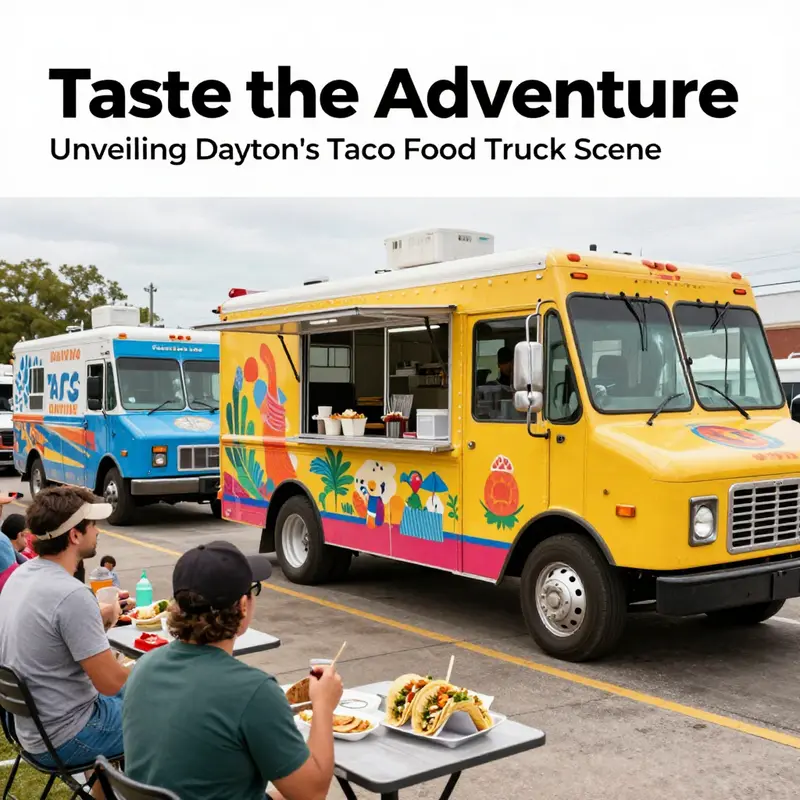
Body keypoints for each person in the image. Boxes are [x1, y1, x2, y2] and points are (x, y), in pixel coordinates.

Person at [123, 540, 342, 800]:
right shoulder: (254, 692)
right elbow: (312, 794)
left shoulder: (143, 667)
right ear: (242, 605)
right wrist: (323, 705)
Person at [0, 486, 129, 786]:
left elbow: (50, 632)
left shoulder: (23, 575)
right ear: (74, 535)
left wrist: (101, 617)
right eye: (93, 525)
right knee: (166, 714)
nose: (98, 531)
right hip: (68, 737)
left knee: (139, 695)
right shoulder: (72, 594)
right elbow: (110, 682)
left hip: (32, 729)